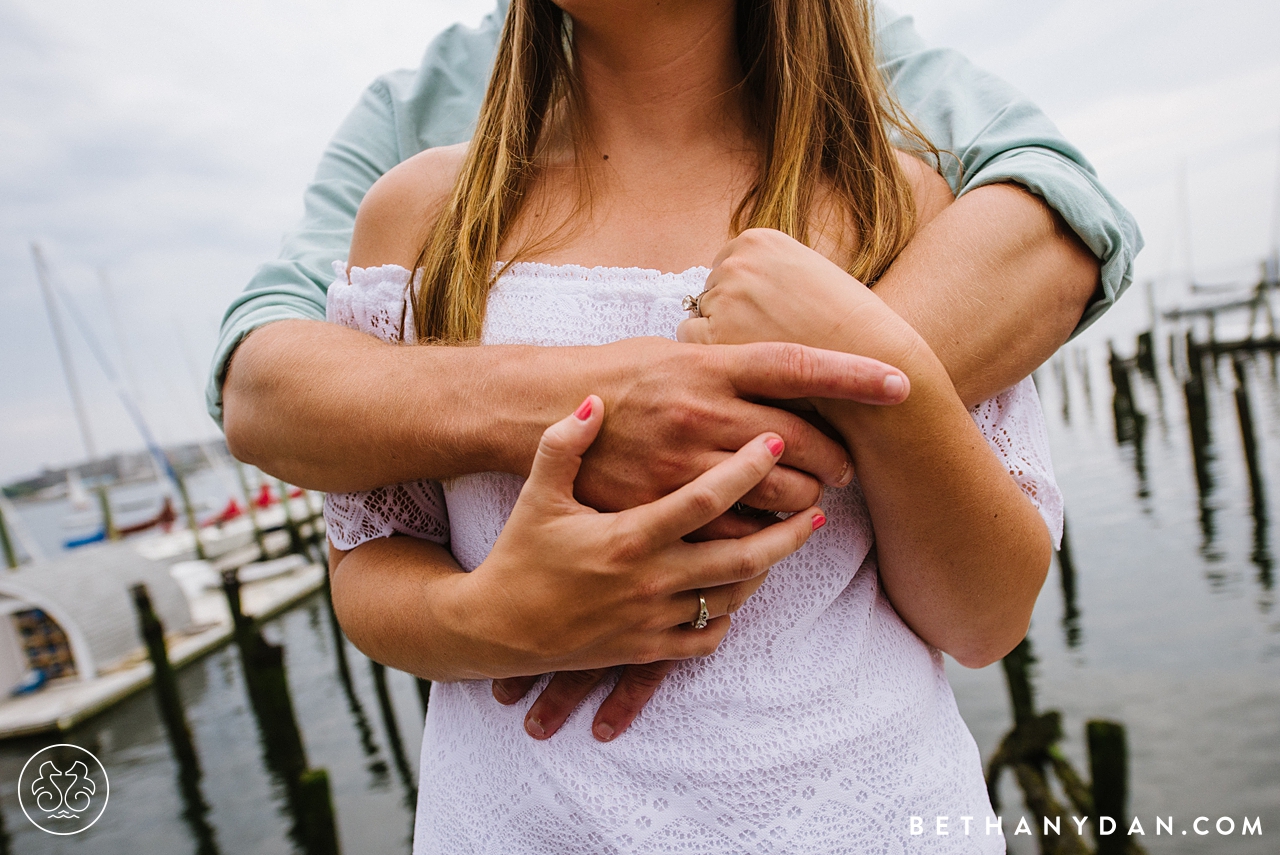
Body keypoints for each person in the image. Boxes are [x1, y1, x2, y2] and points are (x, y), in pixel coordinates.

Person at [213, 2, 1138, 742]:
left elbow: (987, 613)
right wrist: (488, 615)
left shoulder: (906, 195)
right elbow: (356, 534)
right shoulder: (416, 208)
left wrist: (845, 385)